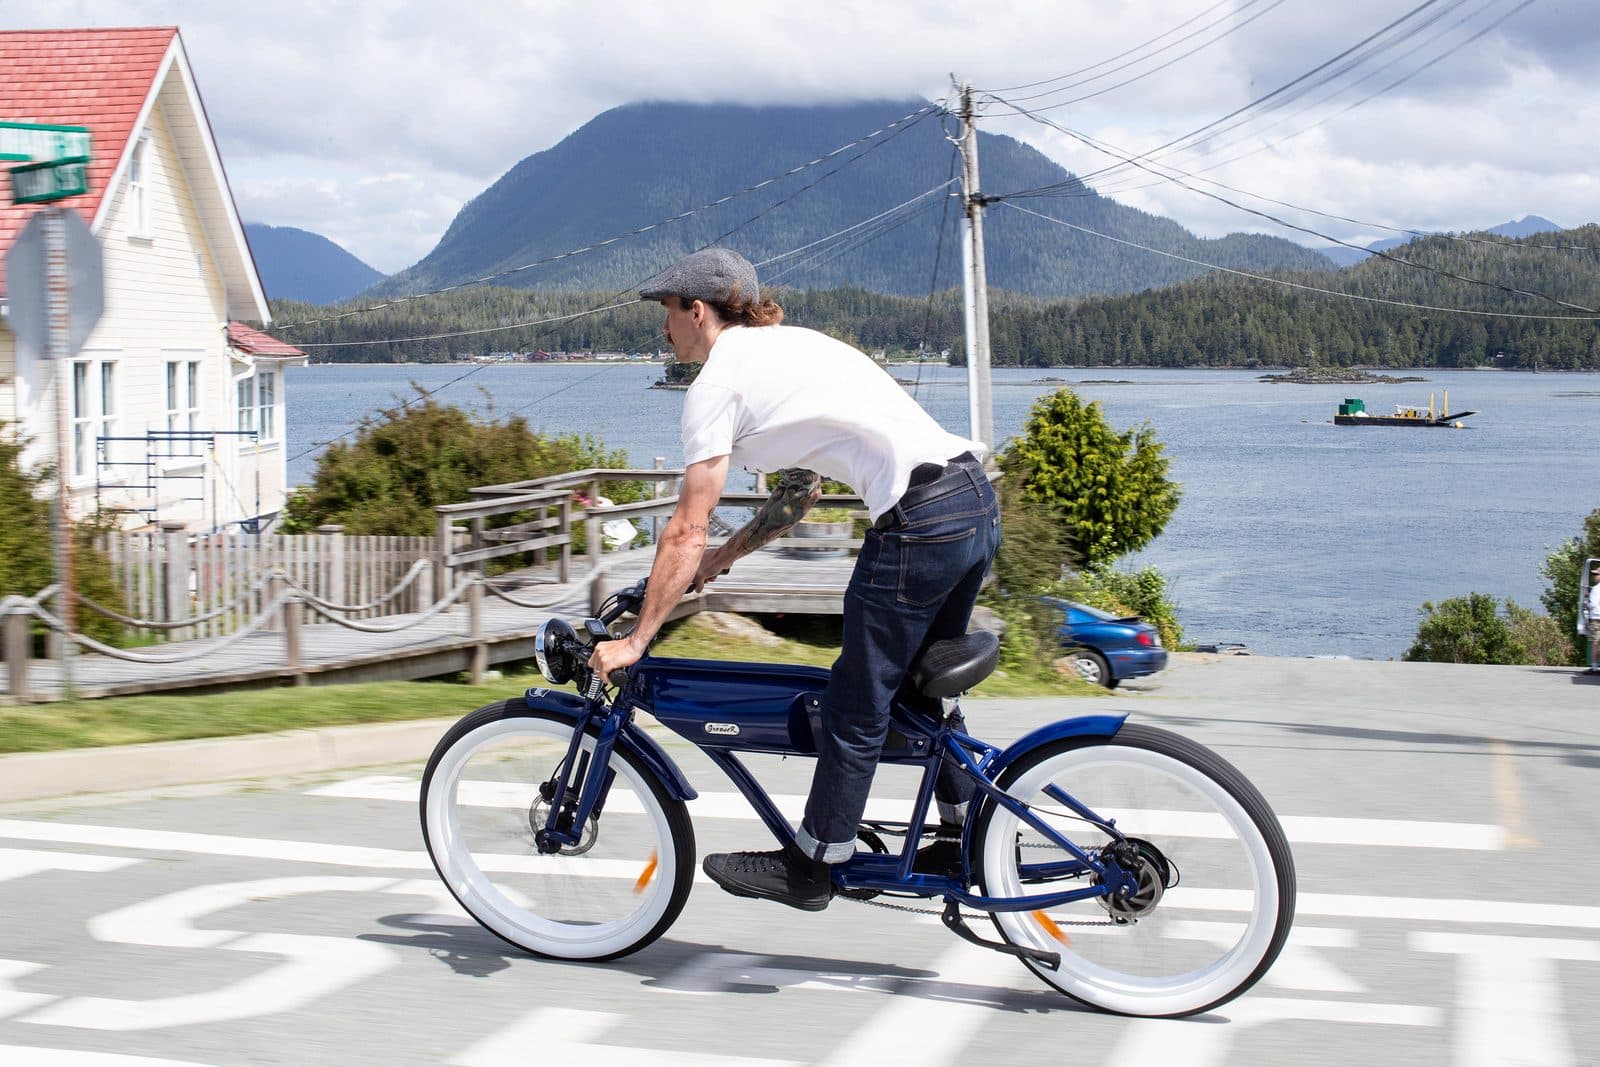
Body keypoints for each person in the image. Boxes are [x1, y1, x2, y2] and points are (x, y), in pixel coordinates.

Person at [589, 247, 1000, 911]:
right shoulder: (787, 348)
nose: (663, 329)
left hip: (920, 523)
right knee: (919, 690)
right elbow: (800, 492)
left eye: (667, 314)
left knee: (856, 703)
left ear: (698, 311)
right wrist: (722, 562)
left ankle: (814, 862)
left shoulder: (716, 385)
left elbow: (684, 526)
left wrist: (637, 639)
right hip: (972, 502)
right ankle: (964, 834)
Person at [1588, 563, 1600, 673]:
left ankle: (1595, 667)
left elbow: (1594, 604)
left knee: (1595, 642)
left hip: (1596, 618)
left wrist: (1587, 604)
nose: (1594, 576)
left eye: (1597, 574)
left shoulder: (1596, 589)